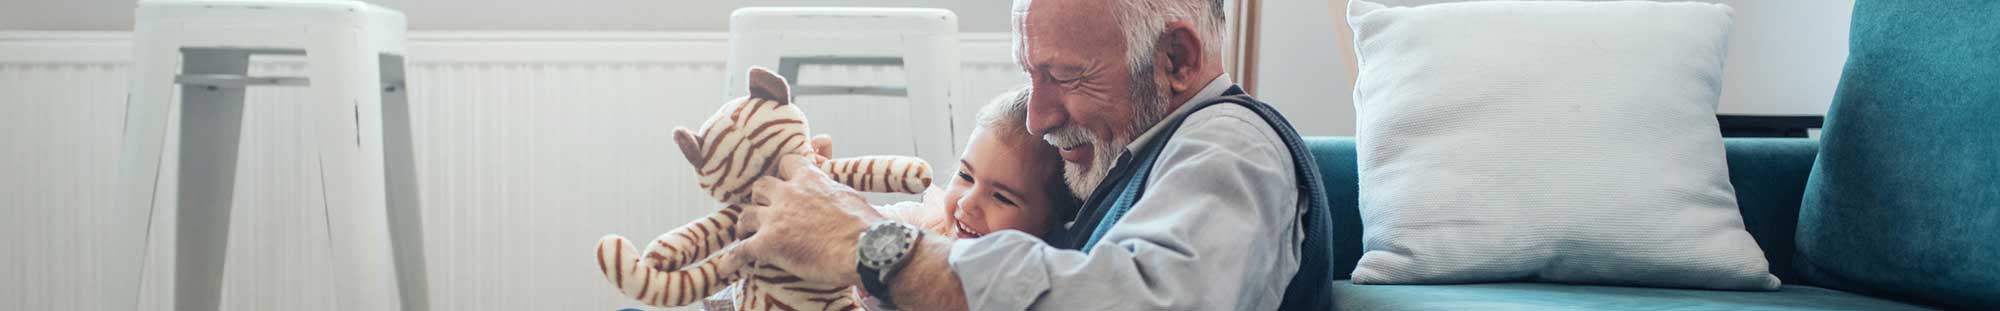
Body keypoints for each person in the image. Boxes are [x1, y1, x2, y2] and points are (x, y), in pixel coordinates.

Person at [733, 0, 1333, 310]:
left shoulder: (1229, 144)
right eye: (1031, 76)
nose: (1037, 116)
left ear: (1175, 59)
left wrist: (866, 247)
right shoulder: (1127, 156)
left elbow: (1153, 301)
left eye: (1065, 76)